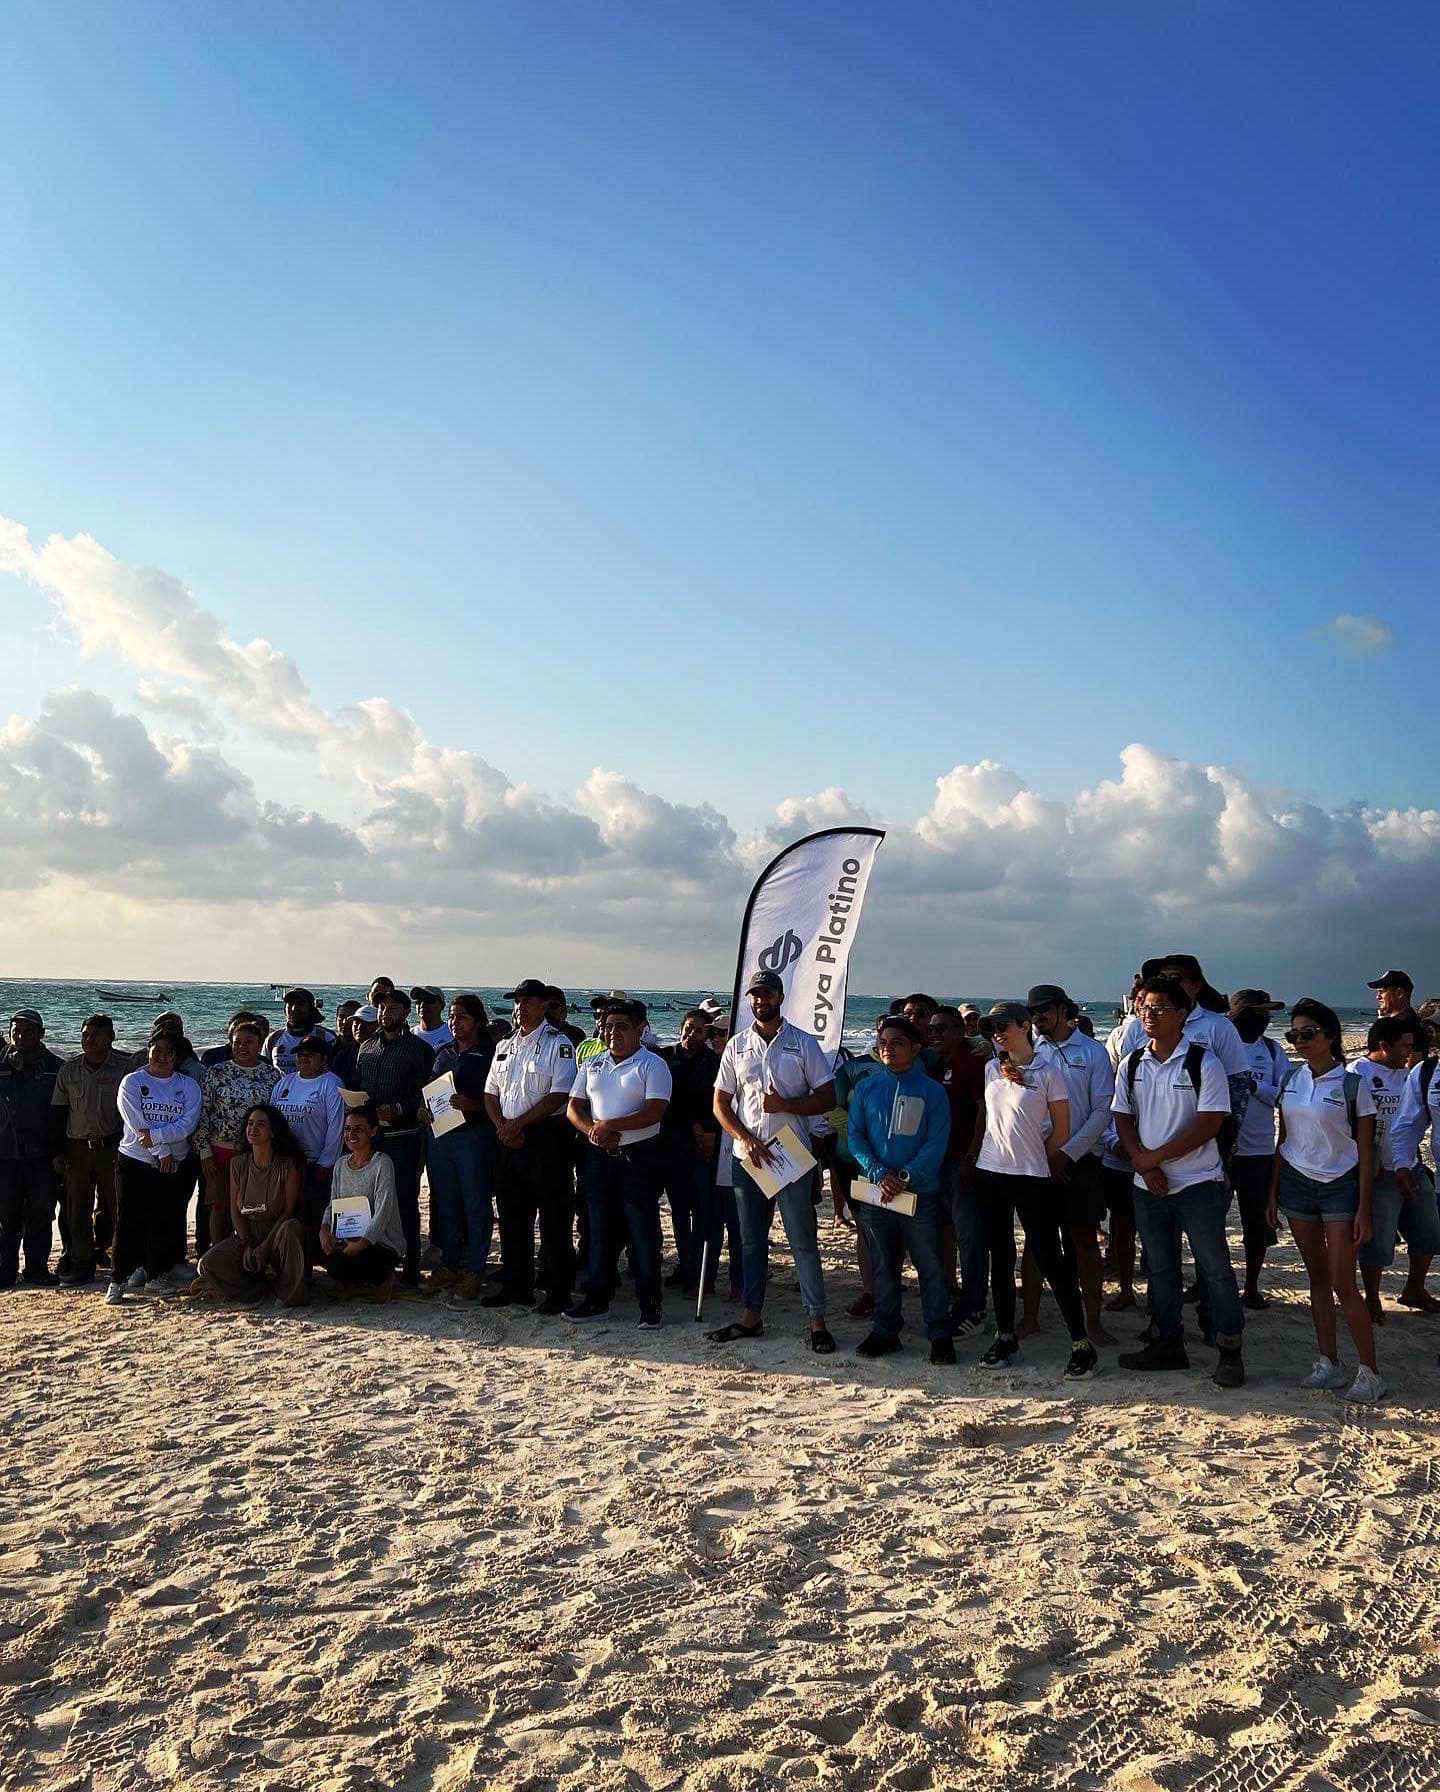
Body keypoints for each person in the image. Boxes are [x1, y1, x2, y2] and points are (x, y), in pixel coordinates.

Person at [1111, 976, 1246, 1387]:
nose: (1149, 1016)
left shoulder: (1204, 1063)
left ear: (1182, 1014)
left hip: (1198, 1182)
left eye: (1159, 1009)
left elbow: (1209, 1124)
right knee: (1160, 1269)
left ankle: (1229, 1349)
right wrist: (1142, 1163)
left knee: (1214, 1268)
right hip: (1148, 1185)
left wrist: (1155, 1157)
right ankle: (1167, 1343)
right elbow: (1121, 1116)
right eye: (1143, 1008)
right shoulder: (1133, 1062)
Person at [709, 969, 837, 1353]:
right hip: (748, 1157)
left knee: (802, 1241)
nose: (759, 1000)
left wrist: (786, 1105)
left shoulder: (802, 1043)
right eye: (754, 995)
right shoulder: (737, 1045)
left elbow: (828, 1097)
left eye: (766, 994)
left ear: (780, 998)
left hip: (790, 1156)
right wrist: (745, 1139)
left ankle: (816, 1320)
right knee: (750, 1242)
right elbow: (720, 1104)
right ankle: (752, 1315)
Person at [965, 1003, 1096, 1378]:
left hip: (1031, 1177)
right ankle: (1005, 1336)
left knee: (1048, 1257)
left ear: (1026, 1026)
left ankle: (1081, 1343)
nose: (998, 1032)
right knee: (1000, 1259)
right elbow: (990, 1120)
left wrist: (1039, 1158)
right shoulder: (992, 1068)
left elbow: (1062, 1130)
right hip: (991, 1174)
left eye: (1004, 1025)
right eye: (992, 1028)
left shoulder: (1050, 1073)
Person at [1267, 998, 1381, 1402]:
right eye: (1293, 1034)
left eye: (1308, 1033)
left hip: (1340, 1186)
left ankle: (1370, 1370)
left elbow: (1367, 1152)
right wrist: (1273, 1192)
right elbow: (1284, 1140)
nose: (1299, 1041)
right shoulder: (1290, 1082)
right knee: (1316, 1280)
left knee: (1342, 1282)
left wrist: (1365, 1208)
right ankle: (1328, 1362)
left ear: (1330, 1036)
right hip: (1297, 1183)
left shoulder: (1353, 1085)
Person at [846, 1016, 954, 1363]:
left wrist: (905, 1176)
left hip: (919, 1193)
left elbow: (937, 1142)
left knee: (930, 1265)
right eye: (883, 1043)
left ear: (915, 1048)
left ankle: (939, 1333)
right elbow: (856, 1137)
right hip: (878, 1192)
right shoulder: (866, 1088)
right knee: (883, 1264)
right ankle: (885, 1330)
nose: (888, 1048)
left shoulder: (933, 1091)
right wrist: (880, 1174)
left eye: (897, 1042)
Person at [563, 1001, 673, 1327]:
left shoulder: (653, 1065)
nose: (613, 1033)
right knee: (598, 1230)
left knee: (641, 1231)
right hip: (598, 1157)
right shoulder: (592, 1063)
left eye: (621, 1026)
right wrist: (594, 1132)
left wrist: (613, 1126)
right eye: (607, 1027)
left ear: (640, 1028)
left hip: (638, 1158)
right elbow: (573, 1106)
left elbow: (655, 1110)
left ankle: (650, 1302)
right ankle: (598, 1298)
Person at [1022, 984, 1117, 1347]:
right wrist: (1044, 1155)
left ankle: (1093, 1321)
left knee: (1084, 1241)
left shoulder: (1093, 1052)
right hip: (1036, 1161)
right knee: (1035, 1242)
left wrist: (1067, 1153)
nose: (1039, 1016)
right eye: (1034, 1011)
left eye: (1046, 1009)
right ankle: (1030, 1319)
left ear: (1064, 1009)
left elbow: (1100, 1112)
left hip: (1082, 1162)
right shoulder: (1029, 1053)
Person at [481, 978, 577, 1310]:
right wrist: (503, 1127)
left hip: (545, 1137)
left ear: (544, 1005)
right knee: (511, 1215)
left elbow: (559, 1095)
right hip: (507, 1136)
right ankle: (516, 1286)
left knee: (553, 1218)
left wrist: (519, 1124)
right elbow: (490, 1092)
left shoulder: (558, 1043)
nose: (520, 1008)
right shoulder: (505, 1045)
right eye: (517, 1002)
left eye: (527, 1002)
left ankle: (556, 1291)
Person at [107, 1032, 204, 1304]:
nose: (162, 1056)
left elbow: (187, 1124)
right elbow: (137, 1123)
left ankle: (156, 1274)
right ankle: (118, 1280)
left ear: (177, 1057)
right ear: (148, 1050)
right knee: (129, 1220)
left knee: (166, 1219)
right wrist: (161, 1152)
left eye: (169, 1052)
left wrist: (159, 1140)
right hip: (135, 1160)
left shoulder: (188, 1086)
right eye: (157, 1050)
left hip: (175, 1162)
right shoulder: (133, 1082)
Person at [1358, 1017, 1440, 1321]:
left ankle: (1414, 1289)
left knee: (1430, 1231)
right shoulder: (1359, 1074)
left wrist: (1409, 1162)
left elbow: (1413, 1120)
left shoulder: (1415, 1073)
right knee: (1378, 1242)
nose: (1411, 1050)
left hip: (1412, 1166)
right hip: (1380, 1171)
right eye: (1405, 1045)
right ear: (1384, 1046)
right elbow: (1353, 1125)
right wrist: (1368, 1162)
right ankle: (1372, 1299)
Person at [356, 991, 436, 1287]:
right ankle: (377, 1268)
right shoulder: (366, 1047)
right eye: (381, 1007)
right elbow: (359, 1085)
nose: (385, 1012)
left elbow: (428, 1093)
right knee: (371, 1204)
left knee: (403, 1203)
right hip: (370, 1139)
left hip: (404, 1138)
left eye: (392, 1007)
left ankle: (412, 1270)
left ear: (405, 1012)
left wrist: (400, 1108)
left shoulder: (419, 1049)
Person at [419, 994, 497, 1300]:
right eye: (451, 1017)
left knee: (475, 1203)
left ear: (478, 1021)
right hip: (440, 1136)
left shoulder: (490, 1054)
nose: (455, 1022)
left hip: (474, 1137)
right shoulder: (443, 1053)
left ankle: (474, 1268)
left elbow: (500, 1098)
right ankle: (450, 1263)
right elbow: (428, 1090)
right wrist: (421, 1111)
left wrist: (473, 1104)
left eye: (462, 1016)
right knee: (446, 1202)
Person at [196, 1104, 308, 1305]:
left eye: (261, 1125)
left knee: (292, 1228)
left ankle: (289, 1296)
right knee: (207, 1264)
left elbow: (289, 1210)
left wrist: (265, 1246)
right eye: (250, 1124)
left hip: (278, 1231)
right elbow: (235, 1210)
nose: (253, 1129)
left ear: (273, 1132)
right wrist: (247, 1242)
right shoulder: (238, 1164)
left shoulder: (289, 1165)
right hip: (249, 1230)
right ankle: (258, 1291)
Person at [48, 1014, 127, 1286]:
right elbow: (58, 1113)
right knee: (76, 1210)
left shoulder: (124, 1069)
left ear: (111, 1038)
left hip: (112, 1147)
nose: (89, 1040)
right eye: (85, 1035)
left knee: (120, 1207)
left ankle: (123, 1262)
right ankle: (82, 1263)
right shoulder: (69, 1070)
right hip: (77, 1149)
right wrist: (58, 1153)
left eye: (96, 1035)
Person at [1227, 990, 1289, 1308]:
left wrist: (1254, 1087)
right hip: (1220, 1149)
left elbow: (1284, 1094)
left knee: (1256, 1222)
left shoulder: (1272, 1050)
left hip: (1259, 1151)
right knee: (1210, 1221)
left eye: (1268, 1014)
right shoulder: (1219, 1045)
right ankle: (1205, 1282)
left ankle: (1251, 1286)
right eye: (1259, 1013)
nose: (1266, 1019)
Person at [193, 1019, 280, 1244]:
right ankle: (216, 1257)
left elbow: (276, 1117)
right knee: (220, 1207)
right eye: (236, 1042)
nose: (242, 1046)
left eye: (248, 1041)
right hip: (220, 1151)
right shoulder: (216, 1072)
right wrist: (204, 1152)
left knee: (253, 1208)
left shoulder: (272, 1076)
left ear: (260, 1043)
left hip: (256, 1153)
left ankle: (249, 1257)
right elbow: (202, 1113)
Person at [928, 1006, 988, 1334]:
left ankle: (975, 1307)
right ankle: (956, 1298)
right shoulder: (937, 1064)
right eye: (931, 1030)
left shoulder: (972, 1061)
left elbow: (984, 1110)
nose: (935, 1034)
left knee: (971, 1240)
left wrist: (971, 1156)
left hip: (962, 1163)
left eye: (943, 1029)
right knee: (942, 1236)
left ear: (960, 1030)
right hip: (936, 1164)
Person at [659, 1008, 722, 1291]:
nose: (691, 1034)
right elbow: (667, 1100)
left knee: (704, 1213)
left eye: (699, 1030)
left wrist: (707, 1134)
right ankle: (685, 1267)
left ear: (707, 1035)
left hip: (704, 1146)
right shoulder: (664, 1057)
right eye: (688, 1027)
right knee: (679, 1211)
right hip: (672, 1144)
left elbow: (719, 1102)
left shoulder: (714, 1062)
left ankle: (703, 1275)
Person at [0, 1007, 64, 1289]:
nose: (21, 1036)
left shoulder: (56, 1067)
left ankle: (36, 1269)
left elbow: (64, 1114)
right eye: (16, 1031)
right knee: (6, 1216)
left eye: (28, 1031)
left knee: (41, 1213)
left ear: (41, 1034)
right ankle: (5, 1270)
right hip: (5, 1155)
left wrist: (60, 1152)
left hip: (43, 1156)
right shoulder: (0, 1064)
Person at [318, 1104, 407, 1298]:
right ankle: (356, 1283)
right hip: (347, 1237)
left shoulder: (382, 1164)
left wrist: (363, 1242)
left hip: (379, 1242)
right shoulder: (341, 1164)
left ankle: (383, 1279)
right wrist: (324, 1229)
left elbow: (383, 1211)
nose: (351, 1135)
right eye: (348, 1129)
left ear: (373, 1131)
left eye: (359, 1130)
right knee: (323, 1253)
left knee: (367, 1260)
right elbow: (333, 1204)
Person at [272, 1034, 347, 1243]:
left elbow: (336, 1125)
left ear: (323, 1059)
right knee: (287, 1214)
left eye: (310, 1054)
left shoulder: (331, 1083)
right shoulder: (285, 1082)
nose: (304, 1058)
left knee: (312, 1215)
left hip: (314, 1163)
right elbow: (273, 1120)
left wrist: (326, 1162)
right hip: (284, 1162)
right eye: (300, 1054)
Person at [263, 989, 334, 1075]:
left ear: (311, 1008)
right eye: (290, 1004)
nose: (294, 1008)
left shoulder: (327, 1037)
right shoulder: (273, 1038)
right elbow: (264, 1071)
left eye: (300, 1004)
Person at [329, 1004, 379, 1088]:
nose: (359, 1027)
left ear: (379, 1025)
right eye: (356, 1022)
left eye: (367, 1023)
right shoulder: (343, 1055)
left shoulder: (389, 1053)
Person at [199, 1010, 267, 1069]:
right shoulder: (212, 1056)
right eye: (236, 1025)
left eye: (244, 1027)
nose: (239, 1030)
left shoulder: (264, 1063)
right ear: (229, 1027)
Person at [1369, 969, 1426, 1040]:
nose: (1377, 996)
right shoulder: (1411, 1020)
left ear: (1399, 993)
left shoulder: (1402, 1024)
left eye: (1381, 991)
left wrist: (1382, 1024)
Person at [410, 986, 454, 1051]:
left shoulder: (452, 1033)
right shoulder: (411, 1034)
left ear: (442, 1005)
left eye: (428, 1000)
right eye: (418, 1001)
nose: (422, 1005)